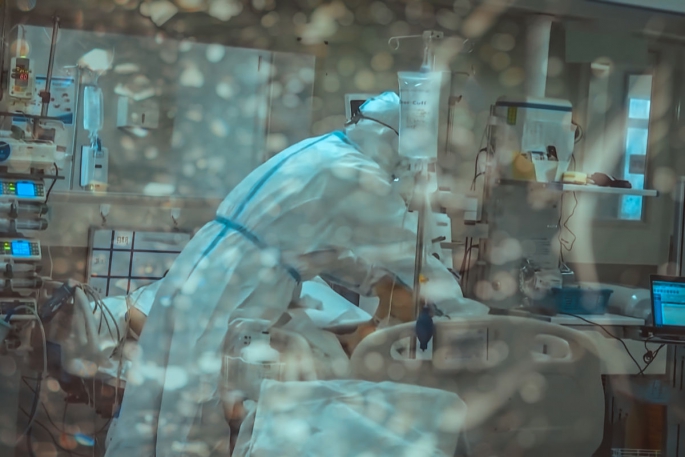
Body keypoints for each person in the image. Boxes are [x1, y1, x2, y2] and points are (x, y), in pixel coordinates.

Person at [104, 91, 488, 457]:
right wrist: (466, 314)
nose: (405, 170)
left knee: (153, 404)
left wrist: (374, 280)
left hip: (201, 271)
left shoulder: (322, 151)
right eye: (408, 159)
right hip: (232, 287)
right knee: (193, 413)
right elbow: (410, 254)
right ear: (395, 142)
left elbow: (315, 248)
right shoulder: (357, 174)